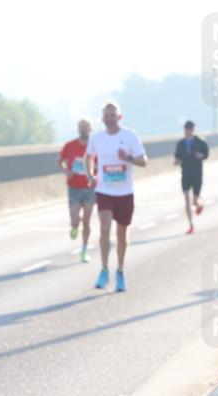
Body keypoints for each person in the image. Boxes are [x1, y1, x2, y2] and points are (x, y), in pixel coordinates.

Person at [85, 102, 148, 292]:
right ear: (102, 118)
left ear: (119, 117)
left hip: (125, 192)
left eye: (113, 115)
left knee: (122, 233)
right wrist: (90, 175)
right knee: (104, 228)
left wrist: (127, 158)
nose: (110, 118)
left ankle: (120, 270)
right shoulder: (97, 138)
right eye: (107, 115)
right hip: (104, 191)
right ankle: (104, 270)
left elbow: (144, 161)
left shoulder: (130, 136)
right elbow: (88, 156)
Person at [57, 119, 95, 262]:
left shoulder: (94, 146)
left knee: (87, 221)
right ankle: (74, 226)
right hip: (74, 187)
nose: (83, 130)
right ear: (78, 129)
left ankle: (84, 250)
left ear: (90, 129)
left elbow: (101, 164)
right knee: (75, 220)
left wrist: (94, 173)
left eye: (86, 127)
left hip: (89, 188)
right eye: (81, 127)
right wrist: (66, 171)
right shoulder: (70, 145)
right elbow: (59, 160)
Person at [174, 120, 209, 235]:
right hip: (185, 174)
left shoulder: (200, 142)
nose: (187, 131)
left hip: (197, 174)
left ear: (193, 130)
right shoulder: (180, 143)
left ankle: (200, 203)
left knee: (194, 201)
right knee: (186, 198)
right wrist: (177, 161)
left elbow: (206, 154)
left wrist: (201, 156)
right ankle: (191, 225)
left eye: (189, 129)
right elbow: (176, 158)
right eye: (185, 129)